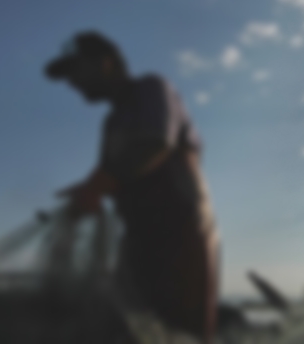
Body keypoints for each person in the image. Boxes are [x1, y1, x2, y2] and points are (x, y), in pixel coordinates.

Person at [45, 31, 218, 343]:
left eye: (75, 71)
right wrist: (85, 196)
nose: (72, 83)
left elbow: (155, 143)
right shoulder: (112, 123)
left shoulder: (152, 88)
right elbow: (110, 177)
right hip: (138, 243)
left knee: (184, 335)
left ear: (106, 63)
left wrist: (96, 186)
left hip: (182, 240)